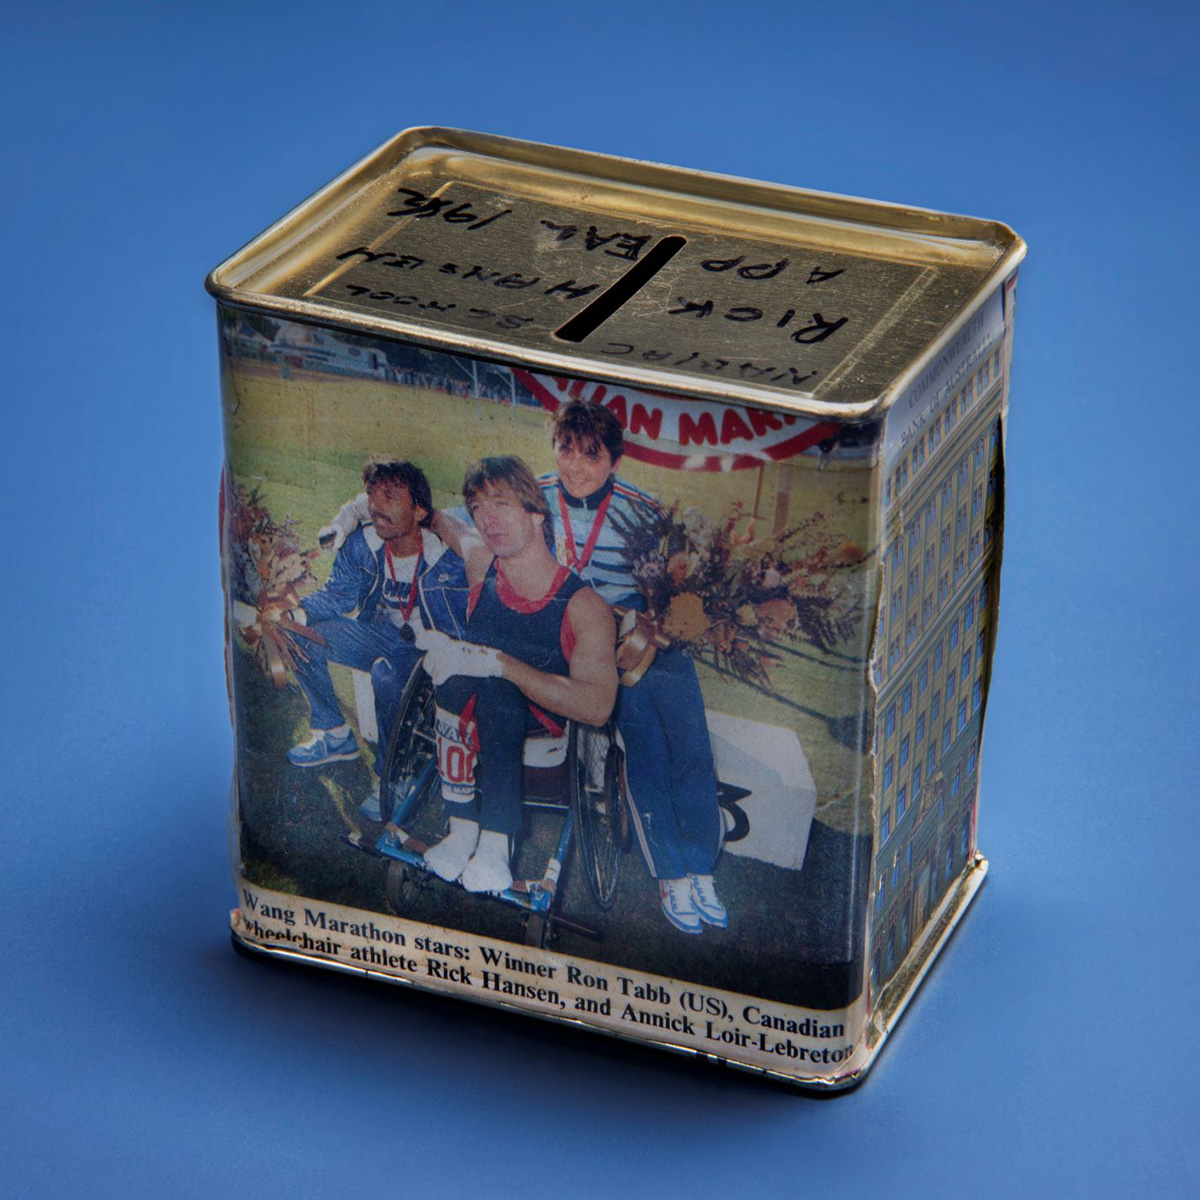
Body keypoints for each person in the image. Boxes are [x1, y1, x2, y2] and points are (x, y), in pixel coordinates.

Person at [540, 401, 727, 935]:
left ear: (615, 462)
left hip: (642, 639)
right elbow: (476, 517)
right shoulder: (532, 497)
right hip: (577, 647)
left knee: (691, 743)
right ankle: (670, 872)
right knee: (646, 741)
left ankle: (701, 868)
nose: (575, 465)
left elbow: (683, 578)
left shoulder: (643, 509)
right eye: (566, 449)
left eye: (591, 455)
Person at [417, 456, 618, 894]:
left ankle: (495, 844)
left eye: (501, 504)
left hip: (540, 723)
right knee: (450, 671)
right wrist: (405, 511)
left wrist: (501, 665)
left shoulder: (584, 607)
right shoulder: (480, 564)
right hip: (469, 712)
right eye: (477, 507)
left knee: (497, 689)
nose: (487, 519)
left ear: (536, 514)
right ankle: (462, 829)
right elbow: (450, 528)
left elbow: (598, 707)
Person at [259, 456, 469, 818]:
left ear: (419, 511)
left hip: (430, 646)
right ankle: (334, 732)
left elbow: (462, 622)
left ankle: (394, 773)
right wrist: (292, 616)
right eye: (373, 494)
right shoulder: (364, 543)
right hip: (383, 632)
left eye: (390, 495)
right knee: (302, 636)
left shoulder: (445, 556)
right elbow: (339, 595)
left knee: (387, 675)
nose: (376, 505)